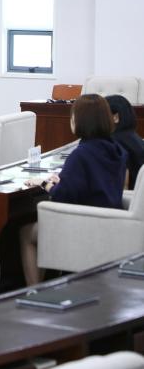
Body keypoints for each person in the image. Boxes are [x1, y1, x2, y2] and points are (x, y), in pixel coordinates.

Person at [20, 94, 127, 285]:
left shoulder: (81, 154)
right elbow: (94, 182)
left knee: (26, 232)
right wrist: (61, 180)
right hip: (109, 222)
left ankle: (33, 291)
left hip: (83, 224)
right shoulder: (116, 149)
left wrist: (44, 183)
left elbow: (63, 196)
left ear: (81, 121)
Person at [106, 94, 144, 188]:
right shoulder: (134, 137)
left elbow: (122, 186)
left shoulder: (114, 142)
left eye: (102, 114)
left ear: (115, 117)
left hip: (129, 197)